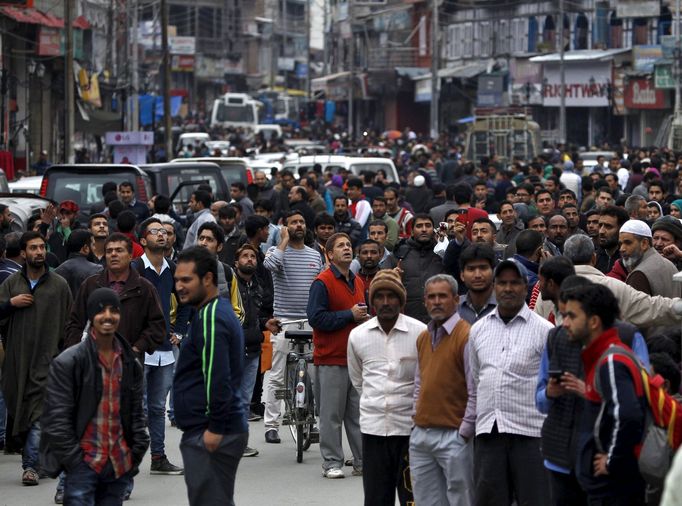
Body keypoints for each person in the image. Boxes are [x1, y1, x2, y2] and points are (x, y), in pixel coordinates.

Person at [40, 288, 149, 505]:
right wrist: (75, 462)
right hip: (84, 465)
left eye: (113, 310)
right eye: (100, 311)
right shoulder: (69, 362)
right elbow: (56, 419)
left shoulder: (129, 363)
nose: (108, 316)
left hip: (118, 464)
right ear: (91, 316)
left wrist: (134, 453)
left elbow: (136, 413)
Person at [469, 258, 553, 505]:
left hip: (530, 434)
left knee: (535, 500)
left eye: (514, 283)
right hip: (489, 433)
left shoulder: (544, 330)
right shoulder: (479, 329)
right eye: (502, 283)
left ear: (525, 288)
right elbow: (476, 378)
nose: (508, 288)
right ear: (494, 286)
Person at [172, 247, 248, 506]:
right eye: (177, 280)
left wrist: (214, 429)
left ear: (207, 279)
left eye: (186, 280)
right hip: (215, 428)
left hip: (212, 431)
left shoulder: (211, 317)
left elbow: (218, 376)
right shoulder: (213, 312)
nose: (179, 286)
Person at [561, 284, 647, 506]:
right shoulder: (605, 356)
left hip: (613, 489)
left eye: (572, 316)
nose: (565, 323)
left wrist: (611, 460)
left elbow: (628, 415)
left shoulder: (610, 362)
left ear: (593, 322)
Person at [0, 231, 72, 485]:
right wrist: (11, 304)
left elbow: (70, 322)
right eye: (33, 248)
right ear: (23, 253)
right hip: (17, 362)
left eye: (42, 247)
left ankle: (30, 466)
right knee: (22, 409)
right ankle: (39, 460)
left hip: (48, 359)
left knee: (39, 413)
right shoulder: (11, 284)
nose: (39, 252)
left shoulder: (59, 285)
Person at [348, 269, 425, 504]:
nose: (385, 302)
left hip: (409, 431)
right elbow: (358, 380)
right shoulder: (358, 336)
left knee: (412, 498)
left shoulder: (420, 333)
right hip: (373, 431)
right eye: (379, 296)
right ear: (372, 301)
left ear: (400, 300)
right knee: (376, 498)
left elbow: (423, 382)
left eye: (391, 296)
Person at [409, 274, 475, 506]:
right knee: (426, 501)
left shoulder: (466, 336)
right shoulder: (424, 338)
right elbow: (419, 381)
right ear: (425, 301)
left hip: (454, 435)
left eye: (442, 296)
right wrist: (415, 419)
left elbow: (475, 388)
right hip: (422, 434)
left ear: (456, 299)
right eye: (432, 297)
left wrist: (464, 431)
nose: (436, 301)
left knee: (461, 500)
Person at [263, 210, 324, 443]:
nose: (299, 225)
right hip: (284, 322)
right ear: (285, 226)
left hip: (310, 322)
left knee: (313, 375)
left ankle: (314, 422)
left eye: (302, 221)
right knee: (277, 375)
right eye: (293, 223)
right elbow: (269, 265)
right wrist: (284, 241)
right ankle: (271, 425)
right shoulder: (276, 252)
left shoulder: (314, 255)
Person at [308, 233, 365, 478]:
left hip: (356, 359)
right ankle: (332, 462)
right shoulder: (322, 282)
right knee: (331, 415)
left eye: (349, 245)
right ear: (329, 254)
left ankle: (363, 461)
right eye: (340, 246)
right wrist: (348, 316)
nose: (346, 249)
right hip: (331, 358)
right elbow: (316, 318)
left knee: (357, 414)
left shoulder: (358, 281)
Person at [134, 218, 185, 475]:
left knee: (157, 407)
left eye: (165, 232)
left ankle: (158, 457)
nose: (162, 235)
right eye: (155, 232)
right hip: (139, 348)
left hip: (165, 347)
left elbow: (186, 298)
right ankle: (127, 462)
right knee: (133, 406)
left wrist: (181, 330)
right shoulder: (135, 268)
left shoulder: (172, 268)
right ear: (143, 240)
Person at [64, 233, 166, 354]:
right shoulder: (90, 285)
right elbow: (75, 322)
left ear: (130, 256)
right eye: (109, 251)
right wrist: (77, 351)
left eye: (119, 250)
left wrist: (136, 349)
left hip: (129, 363)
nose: (113, 254)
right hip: (92, 362)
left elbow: (157, 326)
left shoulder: (144, 288)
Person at [233, 243, 277, 457]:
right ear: (236, 261)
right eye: (245, 256)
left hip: (252, 349)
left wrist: (265, 323)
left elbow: (256, 318)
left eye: (252, 256)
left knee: (244, 399)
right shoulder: (231, 285)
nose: (249, 259)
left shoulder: (259, 287)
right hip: (232, 349)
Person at [382, 214, 444, 323]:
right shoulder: (398, 254)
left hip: (438, 317)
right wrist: (392, 277)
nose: (424, 229)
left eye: (428, 226)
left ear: (433, 230)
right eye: (419, 226)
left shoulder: (442, 253)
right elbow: (382, 283)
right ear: (412, 231)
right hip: (407, 318)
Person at [195, 222, 245, 324]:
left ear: (219, 247)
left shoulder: (228, 272)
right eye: (201, 238)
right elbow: (175, 312)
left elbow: (238, 312)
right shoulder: (183, 270)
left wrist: (224, 329)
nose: (203, 243)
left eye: (209, 240)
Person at [617, 219, 680, 298]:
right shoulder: (669, 264)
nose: (622, 249)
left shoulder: (639, 274)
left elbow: (636, 309)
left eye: (628, 243)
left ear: (644, 243)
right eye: (620, 244)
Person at [54, 230, 103, 298]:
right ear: (85, 248)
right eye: (93, 245)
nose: (95, 248)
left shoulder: (56, 271)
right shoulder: (97, 270)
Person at [457, 244, 497, 324]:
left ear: (493, 272)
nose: (477, 275)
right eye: (471, 269)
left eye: (483, 268)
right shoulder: (453, 308)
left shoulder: (507, 306)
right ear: (462, 275)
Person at [596, 205, 629, 274]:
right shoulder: (594, 257)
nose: (601, 231)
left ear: (621, 229)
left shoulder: (628, 260)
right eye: (600, 225)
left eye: (608, 226)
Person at [47, 200, 82, 264]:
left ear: (76, 215)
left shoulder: (81, 231)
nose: (64, 216)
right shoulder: (55, 229)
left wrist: (66, 229)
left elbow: (74, 246)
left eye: (68, 213)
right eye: (62, 213)